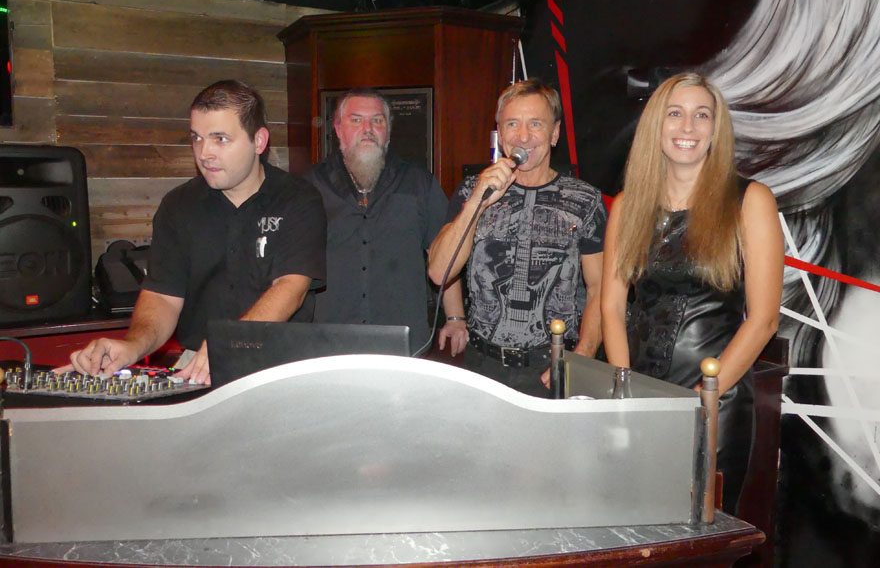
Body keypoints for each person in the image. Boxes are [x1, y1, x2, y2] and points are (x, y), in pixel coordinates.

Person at [60, 80, 326, 384]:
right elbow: (163, 297)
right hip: (199, 363)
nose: (204, 153)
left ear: (259, 141)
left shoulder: (297, 198)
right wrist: (132, 345)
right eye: (196, 138)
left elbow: (291, 287)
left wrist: (230, 343)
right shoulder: (178, 205)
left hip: (282, 364)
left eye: (220, 139)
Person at [600, 72, 784, 513]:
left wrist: (706, 396)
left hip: (714, 404)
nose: (688, 127)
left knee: (700, 535)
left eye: (702, 115)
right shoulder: (627, 206)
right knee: (635, 527)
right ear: (656, 126)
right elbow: (611, 307)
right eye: (675, 114)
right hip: (640, 399)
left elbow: (763, 320)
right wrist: (625, 393)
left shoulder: (750, 200)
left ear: (715, 130)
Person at [428, 78, 606, 397]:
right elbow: (440, 273)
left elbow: (599, 288)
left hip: (552, 364)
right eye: (512, 124)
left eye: (535, 124)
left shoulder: (585, 199)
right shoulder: (471, 191)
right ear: (500, 133)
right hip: (483, 364)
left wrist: (583, 355)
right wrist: (478, 201)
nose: (523, 136)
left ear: (554, 134)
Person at [306, 88, 452, 352]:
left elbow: (447, 251)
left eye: (377, 120)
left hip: (404, 338)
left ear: (388, 130)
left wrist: (455, 317)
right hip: (330, 341)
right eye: (356, 120)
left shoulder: (419, 183)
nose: (367, 129)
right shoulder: (311, 187)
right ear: (338, 129)